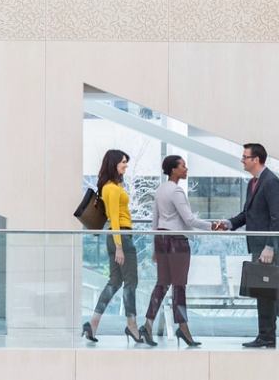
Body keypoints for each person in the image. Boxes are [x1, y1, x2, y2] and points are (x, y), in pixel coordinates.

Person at [225, 142, 279, 349]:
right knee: (264, 293)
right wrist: (228, 224)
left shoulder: (271, 182)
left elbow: (276, 218)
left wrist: (270, 247)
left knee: (268, 292)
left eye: (245, 157)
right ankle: (267, 336)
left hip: (268, 247)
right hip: (258, 245)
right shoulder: (253, 183)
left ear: (256, 159)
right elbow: (248, 214)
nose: (242, 160)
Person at [144, 154, 212, 347]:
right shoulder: (176, 191)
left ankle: (147, 325)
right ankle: (183, 329)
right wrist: (213, 225)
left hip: (162, 240)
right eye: (183, 166)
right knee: (179, 286)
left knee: (162, 284)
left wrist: (155, 247)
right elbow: (189, 220)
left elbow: (155, 222)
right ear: (173, 169)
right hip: (177, 242)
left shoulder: (160, 190)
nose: (186, 168)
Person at [83, 148, 148, 345]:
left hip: (118, 237)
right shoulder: (110, 188)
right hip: (121, 237)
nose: (126, 165)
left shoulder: (112, 186)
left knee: (115, 282)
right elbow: (114, 219)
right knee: (131, 282)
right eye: (123, 162)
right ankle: (132, 326)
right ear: (114, 164)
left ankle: (93, 323)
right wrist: (120, 246)